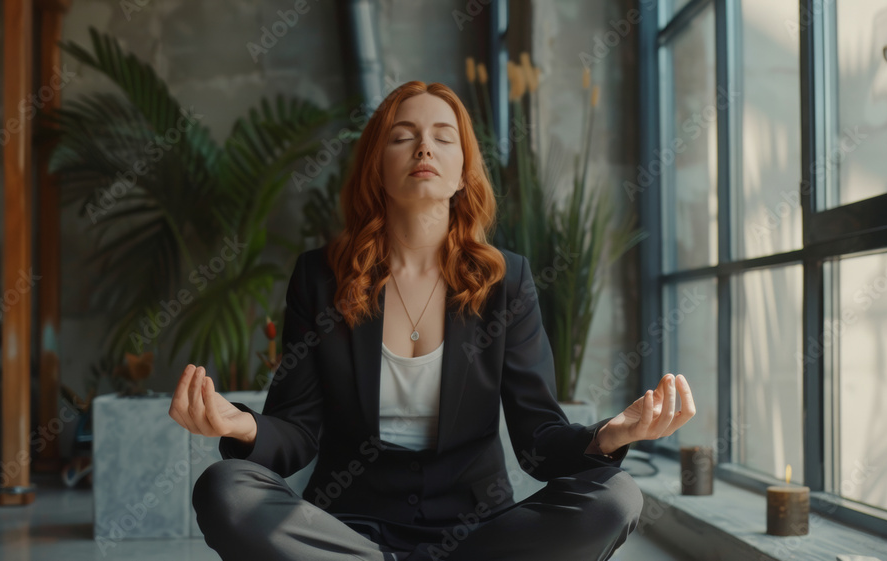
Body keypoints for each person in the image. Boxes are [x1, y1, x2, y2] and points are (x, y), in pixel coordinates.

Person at [170, 81, 696, 561]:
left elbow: (539, 440)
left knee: (616, 495)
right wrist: (241, 424)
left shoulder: (506, 280)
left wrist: (609, 435)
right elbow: (298, 432)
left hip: (478, 532)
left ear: (465, 167)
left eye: (444, 137)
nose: (424, 147)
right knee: (225, 488)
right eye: (403, 136)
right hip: (350, 529)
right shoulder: (321, 277)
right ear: (377, 163)